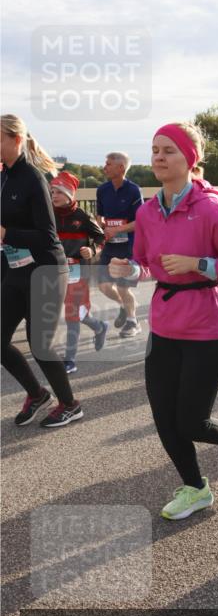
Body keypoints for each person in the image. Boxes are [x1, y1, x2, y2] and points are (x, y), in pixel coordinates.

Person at [109, 121, 218, 521]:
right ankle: (196, 489)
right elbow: (145, 263)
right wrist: (130, 269)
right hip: (164, 323)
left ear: (190, 159)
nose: (158, 157)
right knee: (164, 419)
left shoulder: (211, 209)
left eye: (168, 150)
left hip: (206, 323)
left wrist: (199, 264)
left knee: (191, 421)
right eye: (155, 150)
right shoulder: (146, 212)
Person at [0, 115, 83, 427]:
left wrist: (6, 233)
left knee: (41, 345)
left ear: (16, 140)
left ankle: (70, 403)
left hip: (46, 269)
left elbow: (48, 236)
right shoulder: (3, 177)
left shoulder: (33, 179)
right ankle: (36, 394)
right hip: (16, 270)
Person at [50, 171, 108, 373]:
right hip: (53, 271)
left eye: (58, 191)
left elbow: (101, 238)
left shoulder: (83, 217)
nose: (54, 195)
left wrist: (92, 250)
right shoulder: (47, 213)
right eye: (52, 191)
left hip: (77, 271)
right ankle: (99, 326)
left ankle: (70, 360)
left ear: (70, 194)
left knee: (72, 315)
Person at [96, 152, 143, 338]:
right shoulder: (102, 190)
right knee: (104, 286)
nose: (104, 167)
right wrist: (99, 226)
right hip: (110, 246)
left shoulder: (133, 190)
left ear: (121, 168)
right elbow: (99, 216)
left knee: (124, 288)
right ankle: (125, 305)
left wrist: (118, 229)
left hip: (128, 246)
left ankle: (133, 321)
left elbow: (141, 222)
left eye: (108, 164)